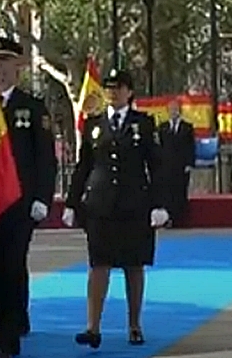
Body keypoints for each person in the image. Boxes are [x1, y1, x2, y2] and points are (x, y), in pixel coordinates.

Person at [62, 69, 168, 348]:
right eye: (109, 88)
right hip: (100, 204)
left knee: (134, 266)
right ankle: (92, 327)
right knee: (98, 265)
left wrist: (159, 204)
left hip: (134, 204)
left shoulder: (143, 124)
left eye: (119, 87)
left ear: (130, 92)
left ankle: (134, 325)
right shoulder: (93, 125)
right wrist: (72, 202)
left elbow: (156, 166)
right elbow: (83, 166)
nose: (113, 92)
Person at [0, 37, 57, 357]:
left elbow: (45, 158)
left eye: (5, 63)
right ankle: (3, 326)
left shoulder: (32, 107)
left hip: (19, 203)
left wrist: (42, 197)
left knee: (11, 266)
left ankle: (7, 340)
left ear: (17, 68)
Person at [156, 99, 195, 227]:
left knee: (180, 192)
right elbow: (159, 147)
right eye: (171, 109)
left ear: (180, 111)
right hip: (166, 166)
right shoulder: (163, 128)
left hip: (181, 165)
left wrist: (189, 163)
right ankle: (168, 219)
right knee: (167, 193)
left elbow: (191, 147)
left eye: (176, 109)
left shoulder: (187, 128)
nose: (174, 112)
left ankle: (181, 220)